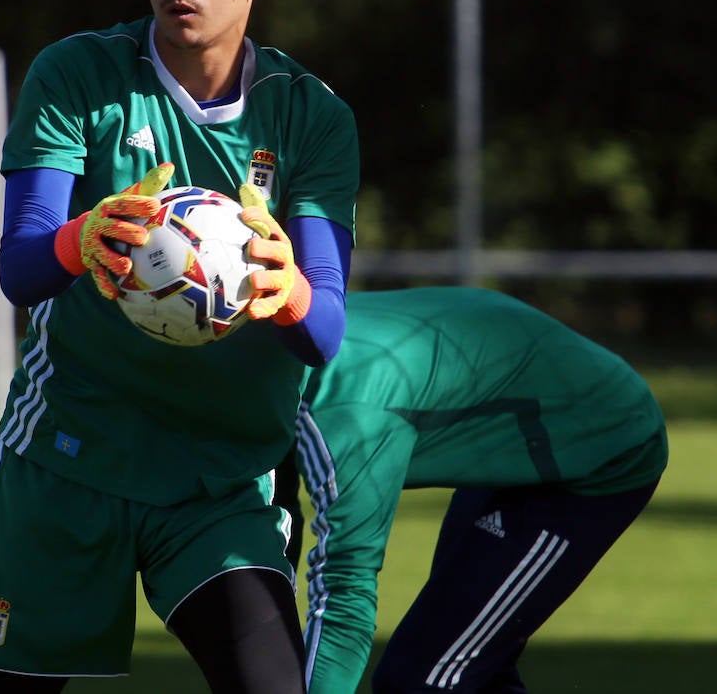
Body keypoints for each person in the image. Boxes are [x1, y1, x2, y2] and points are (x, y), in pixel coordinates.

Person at [0, 0, 360, 693]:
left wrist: (290, 288)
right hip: (68, 456)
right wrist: (82, 238)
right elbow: (21, 270)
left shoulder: (310, 116)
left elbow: (324, 333)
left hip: (221, 482)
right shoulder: (79, 77)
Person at [277, 287, 669, 694]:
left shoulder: (344, 414)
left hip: (600, 445)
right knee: (470, 670)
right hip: (518, 427)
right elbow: (272, 520)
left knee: (421, 679)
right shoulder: (269, 350)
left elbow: (343, 593)